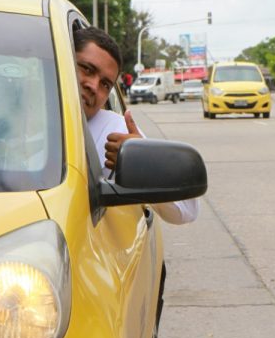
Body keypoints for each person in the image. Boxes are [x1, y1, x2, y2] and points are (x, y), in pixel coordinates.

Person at [73, 27, 199, 225]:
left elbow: (186, 211)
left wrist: (142, 162)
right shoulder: (10, 114)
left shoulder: (111, 129)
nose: (93, 86)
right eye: (87, 69)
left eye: (105, 84)